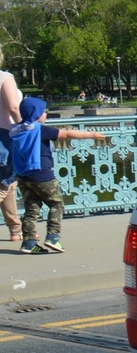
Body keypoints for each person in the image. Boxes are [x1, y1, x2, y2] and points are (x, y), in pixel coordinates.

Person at [10, 97, 107, 254]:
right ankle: (53, 237)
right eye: (44, 112)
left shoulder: (16, 130)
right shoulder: (39, 130)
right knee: (57, 204)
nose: (46, 114)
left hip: (23, 176)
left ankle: (29, 242)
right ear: (36, 114)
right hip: (42, 174)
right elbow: (66, 134)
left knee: (31, 208)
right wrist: (92, 135)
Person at [0, 49, 23, 242]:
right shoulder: (5, 78)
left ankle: (16, 230)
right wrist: (24, 128)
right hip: (4, 136)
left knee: (9, 183)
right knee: (5, 181)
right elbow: (14, 107)